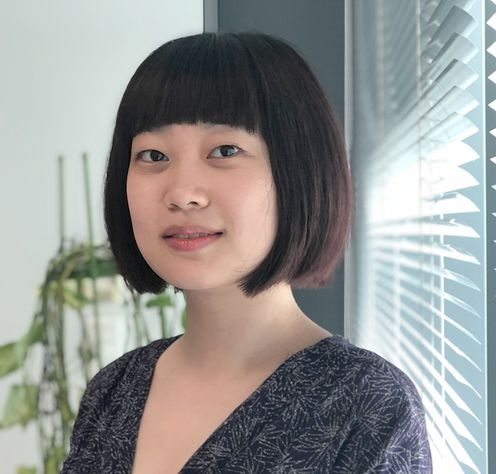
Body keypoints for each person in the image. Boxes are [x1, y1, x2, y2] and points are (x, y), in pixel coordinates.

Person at [61, 32, 432, 473]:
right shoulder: (113, 391)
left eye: (225, 150)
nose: (182, 193)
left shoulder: (367, 405)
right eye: (153, 155)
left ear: (299, 170)